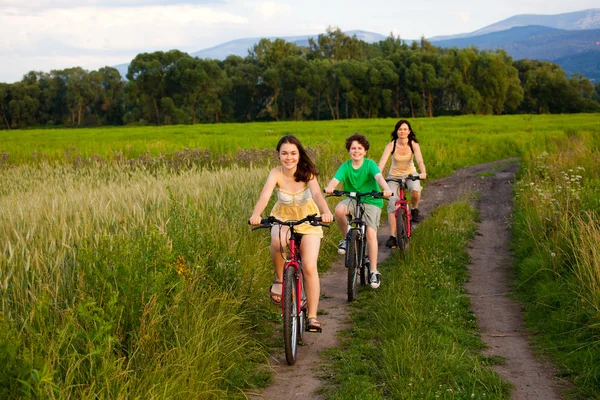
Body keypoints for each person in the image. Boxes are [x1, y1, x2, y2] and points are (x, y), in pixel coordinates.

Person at [249, 135, 333, 333]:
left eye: (293, 153)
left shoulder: (307, 173)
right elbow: (265, 195)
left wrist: (326, 212)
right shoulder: (275, 173)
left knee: (310, 266)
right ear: (278, 155)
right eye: (284, 153)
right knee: (278, 241)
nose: (289, 158)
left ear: (299, 154)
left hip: (309, 219)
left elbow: (318, 195)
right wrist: (256, 214)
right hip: (283, 218)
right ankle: (279, 279)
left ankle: (312, 316)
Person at [325, 133, 392, 289]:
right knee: (339, 209)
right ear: (349, 151)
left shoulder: (370, 164)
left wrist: (386, 189)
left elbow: (379, 177)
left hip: (371, 199)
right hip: (353, 199)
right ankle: (347, 238)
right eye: (353, 148)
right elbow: (335, 180)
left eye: (359, 148)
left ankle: (374, 271)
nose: (356, 151)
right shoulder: (346, 166)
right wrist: (330, 187)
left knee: (370, 234)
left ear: (365, 151)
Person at [378, 119, 427, 249]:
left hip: (411, 174)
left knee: (415, 189)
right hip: (393, 176)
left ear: (409, 131)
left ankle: (415, 209)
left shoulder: (413, 144)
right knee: (392, 202)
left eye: (405, 129)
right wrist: (377, 176)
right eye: (400, 129)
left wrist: (423, 172)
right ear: (396, 131)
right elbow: (382, 163)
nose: (402, 131)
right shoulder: (391, 145)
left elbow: (420, 161)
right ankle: (393, 236)